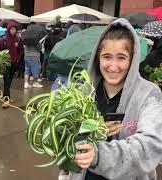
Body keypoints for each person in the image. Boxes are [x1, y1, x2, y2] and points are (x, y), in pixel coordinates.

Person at [67, 18, 162, 180]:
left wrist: (99, 155)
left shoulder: (149, 94)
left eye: (121, 57)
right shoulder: (84, 93)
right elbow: (69, 136)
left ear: (132, 59)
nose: (113, 66)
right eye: (106, 57)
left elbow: (149, 146)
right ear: (98, 58)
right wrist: (94, 131)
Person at [0, 21, 23, 108]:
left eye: (14, 29)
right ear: (8, 29)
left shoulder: (18, 40)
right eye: (11, 29)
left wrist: (17, 59)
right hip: (6, 64)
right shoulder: (3, 40)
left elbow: (20, 51)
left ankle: (6, 96)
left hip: (14, 63)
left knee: (9, 81)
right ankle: (6, 100)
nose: (13, 31)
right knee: (6, 81)